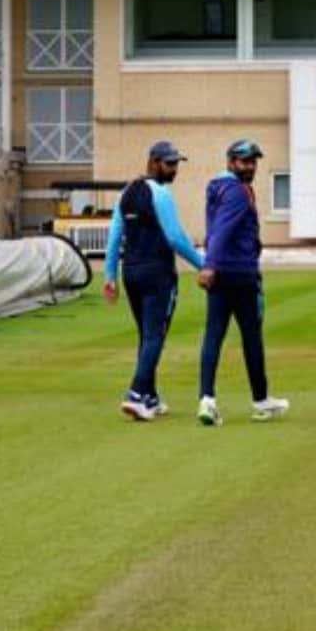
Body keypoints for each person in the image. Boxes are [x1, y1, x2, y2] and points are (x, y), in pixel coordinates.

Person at [103, 140, 204, 421]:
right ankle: (135, 394)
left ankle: (150, 396)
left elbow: (114, 236)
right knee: (154, 335)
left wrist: (110, 275)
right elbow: (175, 238)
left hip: (131, 272)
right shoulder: (160, 194)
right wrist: (203, 265)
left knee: (147, 336)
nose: (174, 169)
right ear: (154, 162)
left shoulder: (127, 192)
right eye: (170, 164)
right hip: (157, 273)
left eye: (176, 164)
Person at [197, 138, 289, 426]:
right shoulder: (236, 192)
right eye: (245, 161)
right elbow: (223, 229)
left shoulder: (220, 188)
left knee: (214, 335)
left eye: (253, 162)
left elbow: (217, 231)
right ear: (231, 162)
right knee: (251, 337)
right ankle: (261, 400)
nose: (250, 167)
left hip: (223, 272)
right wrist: (209, 264)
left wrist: (212, 263)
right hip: (238, 272)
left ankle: (206, 399)